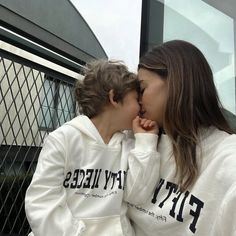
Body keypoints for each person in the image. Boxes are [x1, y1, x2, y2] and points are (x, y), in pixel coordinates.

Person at [25, 59, 160, 236]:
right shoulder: (64, 139)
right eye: (136, 99)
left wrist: (145, 142)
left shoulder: (130, 143)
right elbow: (41, 202)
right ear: (114, 98)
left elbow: (138, 196)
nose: (141, 106)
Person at [127, 40, 236, 236]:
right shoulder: (140, 142)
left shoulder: (225, 158)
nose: (138, 100)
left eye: (142, 89)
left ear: (177, 80)